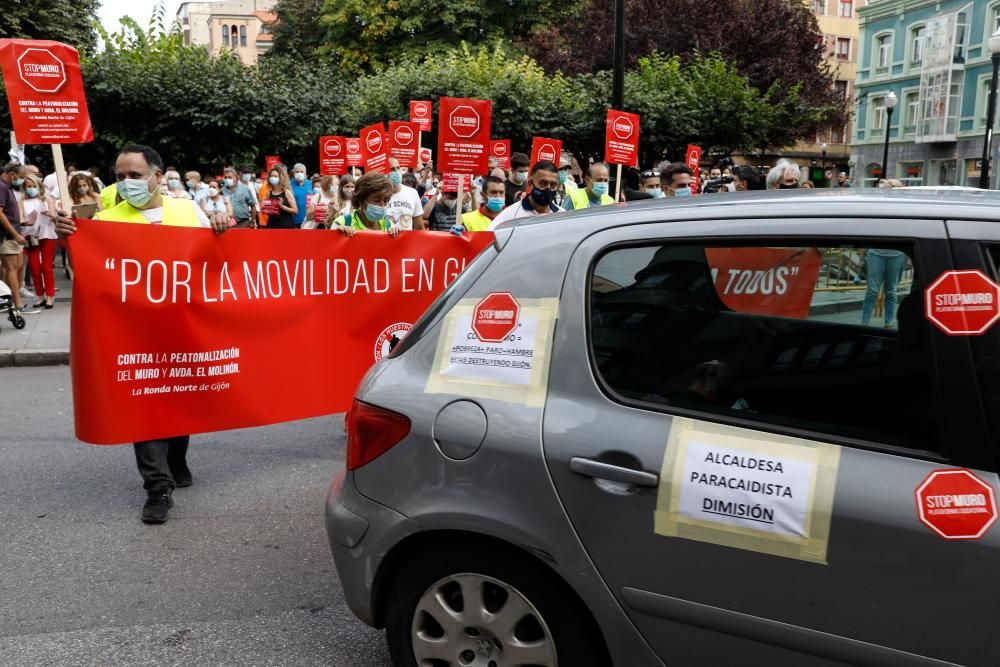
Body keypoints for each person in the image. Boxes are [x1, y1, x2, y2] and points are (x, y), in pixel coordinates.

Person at [55, 144, 229, 525]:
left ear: (157, 176)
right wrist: (71, 237)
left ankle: (176, 455)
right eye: (119, 176)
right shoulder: (105, 218)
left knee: (181, 399)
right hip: (134, 331)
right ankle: (157, 487)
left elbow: (217, 265)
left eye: (134, 175)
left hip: (185, 326)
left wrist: (220, 231)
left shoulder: (187, 210)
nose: (125, 183)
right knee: (146, 406)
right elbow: (91, 273)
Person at [19, 174, 58, 309]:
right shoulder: (22, 202)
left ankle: (50, 296)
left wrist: (51, 214)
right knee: (35, 269)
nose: (31, 189)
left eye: (34, 186)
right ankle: (40, 296)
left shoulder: (47, 199)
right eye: (28, 187)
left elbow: (54, 217)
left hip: (47, 234)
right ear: (24, 188)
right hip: (31, 237)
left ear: (39, 186)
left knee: (46, 267)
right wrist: (26, 221)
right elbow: (20, 220)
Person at [488, 160, 562, 229]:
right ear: (530, 183)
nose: (548, 189)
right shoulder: (510, 215)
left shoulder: (562, 215)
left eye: (553, 184)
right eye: (542, 183)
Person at [0, 162, 31, 314]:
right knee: (12, 268)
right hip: (7, 236)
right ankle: (17, 303)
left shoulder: (7, 187)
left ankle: (8, 299)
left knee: (17, 267)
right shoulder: (1, 187)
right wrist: (15, 233)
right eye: (21, 177)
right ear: (12, 174)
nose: (22, 180)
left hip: (12, 234)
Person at [330, 172, 401, 236]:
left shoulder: (389, 226)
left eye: (385, 201)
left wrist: (396, 237)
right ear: (361, 200)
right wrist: (337, 236)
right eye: (376, 201)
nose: (382, 206)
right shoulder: (342, 223)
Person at [862, 249, 907, 328]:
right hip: (875, 253)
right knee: (872, 291)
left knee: (891, 292)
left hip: (897, 255)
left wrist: (909, 258)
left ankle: (888, 323)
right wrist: (861, 258)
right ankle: (864, 323)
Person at [386, 158, 425, 230]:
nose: (397, 171)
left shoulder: (412, 193)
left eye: (398, 168)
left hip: (406, 241)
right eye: (392, 169)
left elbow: (419, 227)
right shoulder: (378, 195)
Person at [290, 163, 312, 227]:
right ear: (294, 173)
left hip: (309, 220)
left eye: (301, 172)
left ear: (305, 173)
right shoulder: (288, 185)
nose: (299, 173)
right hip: (293, 220)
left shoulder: (311, 184)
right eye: (297, 172)